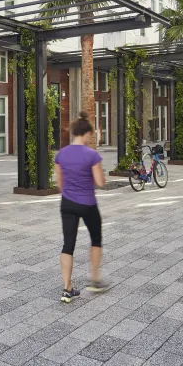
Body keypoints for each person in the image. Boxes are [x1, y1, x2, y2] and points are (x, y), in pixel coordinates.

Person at [53, 112, 109, 303]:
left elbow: (59, 184)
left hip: (67, 204)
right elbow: (100, 182)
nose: (90, 139)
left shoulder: (61, 154)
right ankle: (94, 280)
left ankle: (67, 289)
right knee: (95, 239)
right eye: (90, 136)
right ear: (85, 134)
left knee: (68, 245)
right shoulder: (92, 155)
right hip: (87, 204)